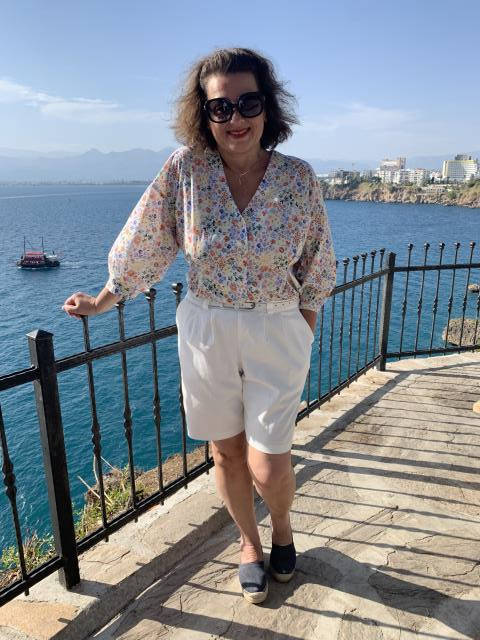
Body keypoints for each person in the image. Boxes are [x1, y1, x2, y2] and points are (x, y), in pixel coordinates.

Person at [63, 47, 336, 604]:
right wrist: (105, 299)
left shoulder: (298, 178)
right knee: (227, 453)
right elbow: (146, 239)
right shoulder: (186, 170)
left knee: (269, 460)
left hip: (277, 327)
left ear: (267, 107)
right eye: (220, 107)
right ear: (204, 114)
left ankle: (283, 529)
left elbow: (317, 264)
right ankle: (250, 544)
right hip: (207, 326)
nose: (236, 118)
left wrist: (302, 330)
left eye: (248, 103)